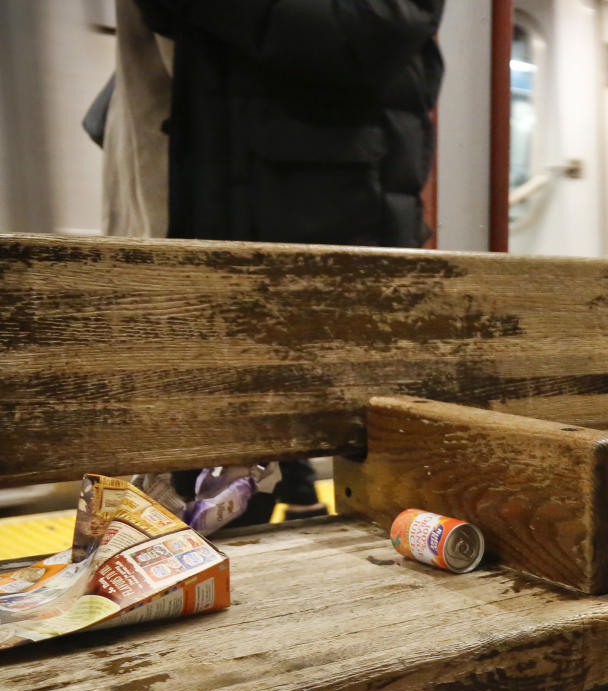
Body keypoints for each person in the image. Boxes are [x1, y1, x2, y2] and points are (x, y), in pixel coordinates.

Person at [89, 0, 445, 522]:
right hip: (210, 217)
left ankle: (281, 498)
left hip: (296, 229)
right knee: (204, 491)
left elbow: (383, 26)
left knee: (254, 473)